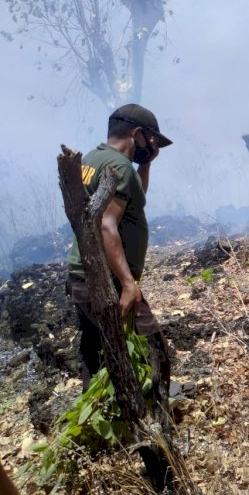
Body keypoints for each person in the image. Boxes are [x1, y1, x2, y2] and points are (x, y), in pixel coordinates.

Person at [66, 104, 172, 412]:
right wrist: (127, 283)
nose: (153, 147)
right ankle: (152, 423)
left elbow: (131, 204)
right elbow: (106, 224)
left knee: (96, 353)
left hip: (81, 275)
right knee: (153, 351)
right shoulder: (120, 168)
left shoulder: (91, 159)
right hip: (106, 281)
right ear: (138, 134)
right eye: (151, 140)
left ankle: (98, 421)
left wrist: (146, 167)